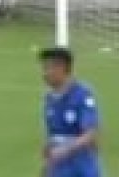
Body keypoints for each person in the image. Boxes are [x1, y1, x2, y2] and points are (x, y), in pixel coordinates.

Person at [39, 47, 103, 177]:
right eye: (44, 68)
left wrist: (66, 149)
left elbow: (90, 134)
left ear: (61, 68)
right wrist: (48, 161)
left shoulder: (82, 94)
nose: (44, 74)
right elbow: (54, 136)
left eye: (48, 68)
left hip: (81, 166)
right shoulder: (49, 98)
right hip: (59, 167)